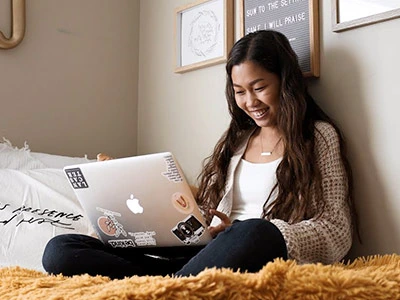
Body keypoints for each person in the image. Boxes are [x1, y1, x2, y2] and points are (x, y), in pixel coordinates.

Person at [42, 30, 358, 279]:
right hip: (205, 254)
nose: (250, 101)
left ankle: (173, 285)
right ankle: (176, 284)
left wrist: (269, 231)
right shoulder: (237, 140)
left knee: (256, 229)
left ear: (285, 83)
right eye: (239, 91)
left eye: (259, 87)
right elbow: (208, 208)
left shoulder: (317, 137)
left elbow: (337, 229)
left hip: (256, 252)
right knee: (61, 250)